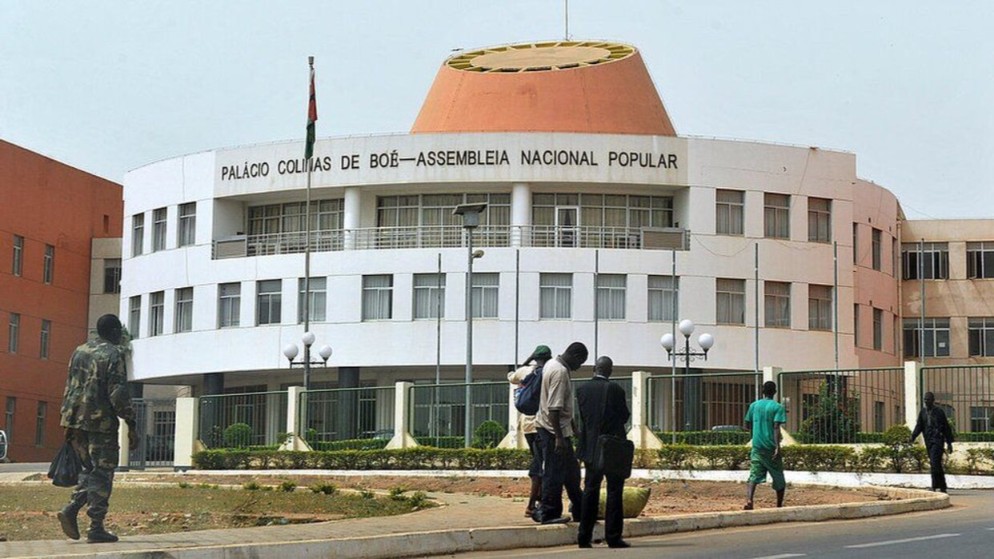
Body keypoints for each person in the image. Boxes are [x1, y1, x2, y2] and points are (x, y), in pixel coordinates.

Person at [57, 314, 139, 543]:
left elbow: (70, 385)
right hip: (100, 422)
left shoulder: (79, 351)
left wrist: (67, 421)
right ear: (114, 332)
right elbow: (118, 393)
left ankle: (72, 509)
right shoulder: (113, 354)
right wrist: (131, 423)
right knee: (103, 472)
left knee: (89, 469)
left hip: (75, 420)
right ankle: (95, 527)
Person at [576, 356, 631, 549]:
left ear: (594, 368)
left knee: (590, 490)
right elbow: (624, 416)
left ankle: (584, 536)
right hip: (612, 447)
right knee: (614, 490)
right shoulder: (615, 389)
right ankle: (613, 537)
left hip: (590, 447)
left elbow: (584, 418)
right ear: (610, 370)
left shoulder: (581, 389)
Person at [532, 341, 587, 525]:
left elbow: (562, 406)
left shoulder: (551, 364)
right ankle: (548, 513)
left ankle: (580, 510)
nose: (579, 368)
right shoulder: (560, 372)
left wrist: (574, 428)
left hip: (558, 428)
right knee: (554, 473)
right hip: (552, 430)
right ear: (576, 357)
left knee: (571, 472)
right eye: (581, 363)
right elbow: (554, 408)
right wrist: (559, 438)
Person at [507, 344, 552, 517]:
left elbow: (510, 376)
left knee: (539, 462)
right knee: (540, 466)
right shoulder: (548, 372)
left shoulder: (525, 371)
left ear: (535, 358)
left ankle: (538, 500)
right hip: (542, 425)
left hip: (527, 425)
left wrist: (528, 360)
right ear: (548, 358)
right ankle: (532, 505)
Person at [744, 380, 787, 510]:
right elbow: (775, 428)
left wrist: (756, 432)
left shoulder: (754, 406)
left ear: (763, 391)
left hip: (757, 446)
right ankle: (778, 505)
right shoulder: (778, 407)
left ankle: (749, 499)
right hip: (770, 447)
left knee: (754, 475)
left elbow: (747, 424)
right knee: (779, 478)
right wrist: (777, 447)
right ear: (775, 392)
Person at [910, 391, 954, 493]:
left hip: (938, 440)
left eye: (928, 399)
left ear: (933, 400)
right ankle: (942, 486)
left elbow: (946, 427)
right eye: (925, 399)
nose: (926, 401)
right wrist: (912, 437)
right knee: (935, 463)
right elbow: (919, 426)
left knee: (934, 462)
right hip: (928, 440)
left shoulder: (939, 412)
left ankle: (935, 486)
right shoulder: (923, 412)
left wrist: (949, 443)